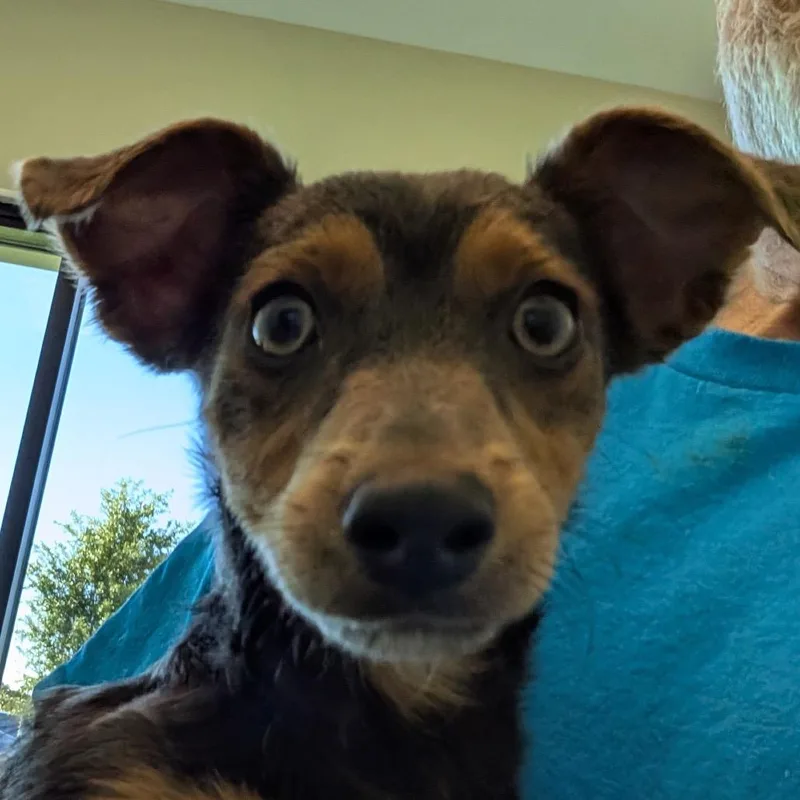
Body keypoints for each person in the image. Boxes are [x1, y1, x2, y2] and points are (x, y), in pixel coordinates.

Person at [25, 1, 800, 796]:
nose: (419, 470)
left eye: (541, 326)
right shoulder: (120, 774)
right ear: (160, 284)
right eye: (284, 326)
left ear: (658, 282)